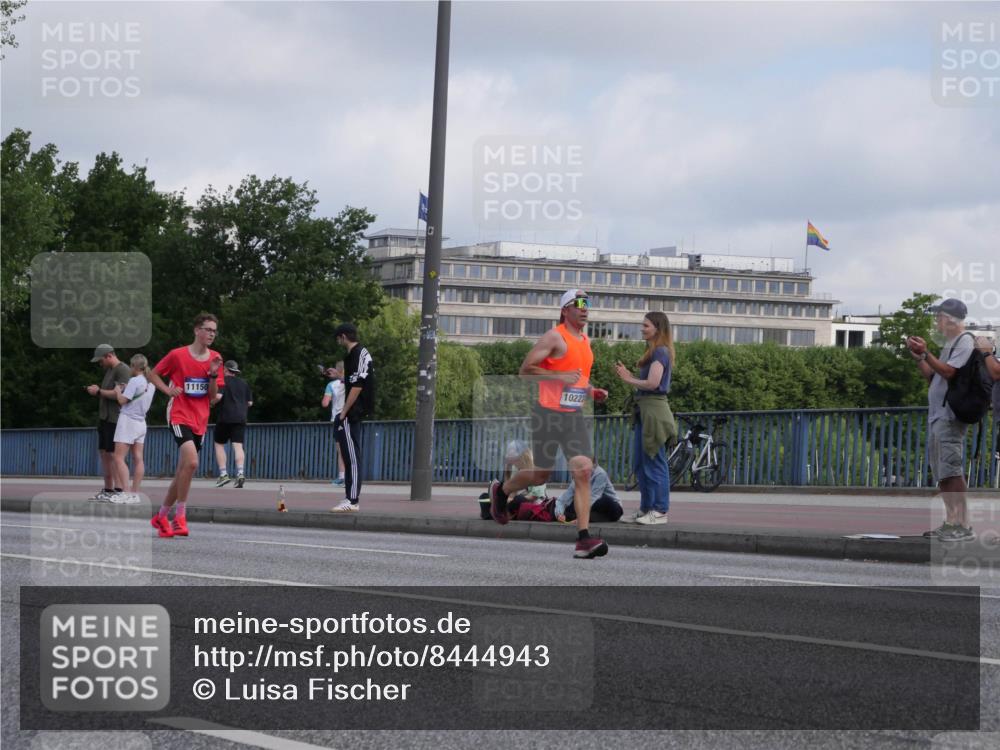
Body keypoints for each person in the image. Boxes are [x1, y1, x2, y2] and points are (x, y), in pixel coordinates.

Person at [488, 289, 610, 559]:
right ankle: (503, 490)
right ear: (565, 310)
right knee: (541, 475)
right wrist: (560, 375)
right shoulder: (555, 336)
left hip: (573, 414)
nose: (584, 308)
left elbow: (577, 379)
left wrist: (592, 391)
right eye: (578, 303)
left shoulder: (586, 341)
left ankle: (583, 539)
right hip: (547, 414)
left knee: (583, 470)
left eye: (587, 303)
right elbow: (526, 370)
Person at [146, 313, 225, 538]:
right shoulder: (178, 355)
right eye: (208, 329)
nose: (211, 334)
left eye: (214, 331)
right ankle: (180, 516)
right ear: (197, 330)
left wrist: (211, 374)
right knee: (191, 462)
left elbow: (212, 396)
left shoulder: (216, 358)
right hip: (179, 414)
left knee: (183, 470)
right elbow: (152, 374)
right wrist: (168, 390)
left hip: (200, 418)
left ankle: (161, 516)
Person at [906, 298, 976, 541]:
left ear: (950, 319)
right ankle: (951, 522)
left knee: (952, 471)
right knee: (943, 473)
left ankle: (963, 525)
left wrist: (927, 352)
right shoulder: (950, 345)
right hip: (938, 416)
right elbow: (933, 377)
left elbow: (949, 372)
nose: (937, 321)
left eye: (939, 316)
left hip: (950, 416)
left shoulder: (965, 341)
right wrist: (919, 358)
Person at [614, 311, 677, 525]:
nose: (642, 329)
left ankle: (659, 511)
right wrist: (629, 376)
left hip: (654, 412)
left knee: (654, 461)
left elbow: (652, 384)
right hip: (645, 411)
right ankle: (646, 509)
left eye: (646, 326)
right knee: (641, 463)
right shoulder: (655, 351)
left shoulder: (661, 352)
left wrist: (628, 378)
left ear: (657, 329)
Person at [330, 323, 374, 513]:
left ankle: (353, 500)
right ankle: (350, 497)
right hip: (354, 411)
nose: (337, 341)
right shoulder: (357, 354)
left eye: (338, 338)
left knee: (352, 457)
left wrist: (343, 411)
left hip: (352, 411)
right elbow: (353, 381)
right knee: (349, 456)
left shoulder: (357, 354)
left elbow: (357, 386)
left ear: (343, 337)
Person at [85, 344, 133, 501]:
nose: (100, 364)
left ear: (109, 356)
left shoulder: (122, 370)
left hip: (115, 418)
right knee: (105, 454)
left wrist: (98, 391)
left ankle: (119, 490)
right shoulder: (110, 371)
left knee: (114, 455)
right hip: (105, 418)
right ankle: (108, 490)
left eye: (101, 361)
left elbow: (120, 394)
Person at [111, 354, 156, 503]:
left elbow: (123, 401)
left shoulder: (134, 381)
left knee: (118, 457)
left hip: (128, 421)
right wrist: (126, 389)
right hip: (141, 422)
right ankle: (135, 494)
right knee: (138, 458)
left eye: (131, 366)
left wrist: (118, 390)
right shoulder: (151, 384)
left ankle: (126, 492)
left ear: (134, 367)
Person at [213, 360, 253, 488]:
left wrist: (210, 402)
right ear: (235, 371)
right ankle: (240, 473)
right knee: (238, 446)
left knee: (219, 444)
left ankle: (224, 474)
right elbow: (250, 403)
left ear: (225, 369)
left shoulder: (222, 381)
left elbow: (218, 396)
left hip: (225, 417)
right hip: (240, 418)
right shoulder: (244, 383)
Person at [553, 462, 623, 524]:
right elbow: (562, 500)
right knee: (572, 504)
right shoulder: (578, 477)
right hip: (593, 509)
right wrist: (559, 514)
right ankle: (586, 517)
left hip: (611, 509)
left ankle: (580, 517)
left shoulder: (600, 473)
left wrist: (581, 516)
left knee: (605, 499)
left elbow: (594, 498)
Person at [322, 363, 347, 486]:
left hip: (338, 417)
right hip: (351, 417)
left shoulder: (331, 385)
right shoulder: (351, 382)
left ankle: (342, 477)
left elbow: (325, 403)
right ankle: (351, 476)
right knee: (351, 448)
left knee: (340, 449)